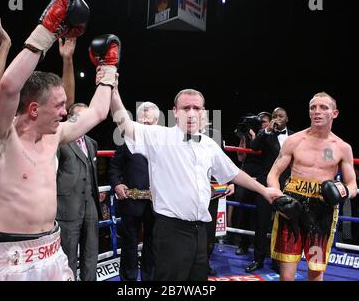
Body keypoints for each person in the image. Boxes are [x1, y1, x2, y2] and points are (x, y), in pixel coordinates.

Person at [0, 0, 116, 281]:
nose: (64, 113)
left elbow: (97, 113)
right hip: (11, 260)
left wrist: (108, 69)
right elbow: (6, 87)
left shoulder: (55, 136)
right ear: (32, 109)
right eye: (57, 106)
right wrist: (47, 31)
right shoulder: (1, 139)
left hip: (53, 251)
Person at [107, 82, 283, 281]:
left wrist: (264, 191)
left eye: (196, 108)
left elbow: (233, 173)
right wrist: (113, 91)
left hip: (201, 231)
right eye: (185, 108)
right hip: (171, 230)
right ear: (175, 112)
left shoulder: (208, 144)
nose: (191, 113)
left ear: (203, 112)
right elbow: (124, 124)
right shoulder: (159, 136)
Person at [0, 17, 77, 280]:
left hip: (45, 238)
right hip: (2, 224)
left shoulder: (47, 129)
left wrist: (66, 59)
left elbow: (65, 107)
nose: (61, 113)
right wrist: (6, 45)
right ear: (31, 107)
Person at [267, 92, 357, 281]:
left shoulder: (342, 147)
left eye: (323, 107)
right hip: (292, 206)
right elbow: (273, 175)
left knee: (316, 270)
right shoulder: (294, 141)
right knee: (286, 273)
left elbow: (352, 185)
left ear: (335, 113)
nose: (317, 111)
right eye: (313, 107)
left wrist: (341, 192)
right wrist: (278, 198)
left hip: (321, 212)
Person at [108, 101, 159, 281]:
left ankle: (149, 279)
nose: (144, 125)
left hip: (156, 202)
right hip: (131, 201)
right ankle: (128, 281)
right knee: (129, 243)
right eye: (141, 122)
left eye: (148, 122)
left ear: (157, 122)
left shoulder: (164, 142)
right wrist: (116, 184)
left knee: (152, 243)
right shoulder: (127, 139)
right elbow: (114, 166)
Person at [56, 103, 103, 281]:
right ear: (70, 118)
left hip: (90, 205)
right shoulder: (61, 141)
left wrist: (95, 191)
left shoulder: (91, 143)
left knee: (91, 253)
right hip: (67, 207)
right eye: (80, 117)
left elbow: (91, 173)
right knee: (68, 256)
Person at [245, 107, 293, 273]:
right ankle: (258, 259)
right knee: (262, 222)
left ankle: (277, 261)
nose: (278, 118)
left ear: (287, 119)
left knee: (282, 224)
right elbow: (253, 146)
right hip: (266, 183)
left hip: (286, 185)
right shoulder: (266, 134)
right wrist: (266, 130)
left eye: (281, 116)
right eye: (275, 116)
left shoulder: (294, 136)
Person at [200, 110, 234, 276]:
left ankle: (205, 262)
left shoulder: (215, 135)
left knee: (209, 228)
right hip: (189, 191)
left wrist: (229, 181)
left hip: (211, 189)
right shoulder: (179, 136)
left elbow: (222, 161)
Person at [234, 111, 271, 256]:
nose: (262, 124)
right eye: (260, 121)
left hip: (262, 178)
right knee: (243, 211)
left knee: (261, 215)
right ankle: (243, 244)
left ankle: (262, 247)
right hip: (247, 177)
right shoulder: (249, 135)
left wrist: (256, 138)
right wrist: (244, 137)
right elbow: (241, 157)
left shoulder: (270, 137)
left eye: (264, 121)